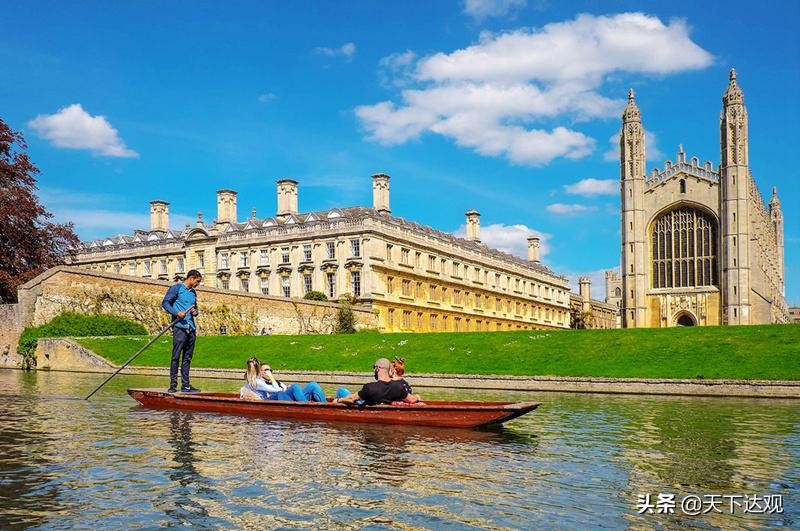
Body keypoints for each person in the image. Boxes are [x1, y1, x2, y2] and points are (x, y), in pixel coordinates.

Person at [161, 269, 202, 393]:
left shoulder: (193, 293)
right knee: (176, 357)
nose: (198, 284)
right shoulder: (177, 288)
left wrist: (196, 312)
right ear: (191, 278)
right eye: (197, 281)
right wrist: (176, 313)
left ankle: (186, 385)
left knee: (187, 358)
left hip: (191, 329)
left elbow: (195, 308)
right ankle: (173, 385)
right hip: (179, 328)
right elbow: (165, 303)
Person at [333, 358, 419, 406]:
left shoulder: (370, 387)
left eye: (374, 367)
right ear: (389, 370)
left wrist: (338, 400)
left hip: (367, 406)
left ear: (377, 369)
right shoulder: (398, 387)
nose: (374, 370)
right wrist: (417, 397)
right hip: (385, 408)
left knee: (341, 391)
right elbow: (412, 399)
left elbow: (352, 399)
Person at [241, 357, 326, 402]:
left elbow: (283, 388)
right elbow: (277, 391)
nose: (269, 372)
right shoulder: (259, 382)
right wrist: (272, 378)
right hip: (279, 399)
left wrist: (286, 387)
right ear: (260, 372)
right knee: (292, 388)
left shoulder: (277, 382)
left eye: (270, 370)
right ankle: (306, 408)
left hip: (290, 398)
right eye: (266, 370)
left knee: (312, 385)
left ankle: (325, 406)